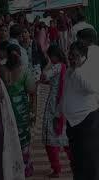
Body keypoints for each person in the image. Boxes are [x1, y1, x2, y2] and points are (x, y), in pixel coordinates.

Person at [59, 29, 99, 180]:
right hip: (73, 124)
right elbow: (67, 93)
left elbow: (93, 88)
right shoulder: (70, 71)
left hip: (87, 122)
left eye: (75, 56)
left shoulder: (84, 70)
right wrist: (60, 111)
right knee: (76, 160)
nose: (71, 58)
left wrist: (78, 69)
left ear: (84, 57)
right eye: (70, 55)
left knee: (89, 160)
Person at [4, 44, 36, 177]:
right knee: (23, 138)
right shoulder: (24, 70)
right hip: (21, 110)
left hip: (6, 110)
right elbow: (32, 90)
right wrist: (33, 111)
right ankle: (25, 167)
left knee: (10, 138)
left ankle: (12, 169)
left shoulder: (2, 70)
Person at [40, 45, 72, 178]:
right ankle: (73, 163)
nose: (49, 58)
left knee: (50, 139)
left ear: (54, 56)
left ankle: (56, 168)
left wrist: (47, 65)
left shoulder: (56, 67)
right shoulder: (66, 67)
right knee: (65, 139)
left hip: (54, 106)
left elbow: (44, 76)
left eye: (49, 56)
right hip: (64, 105)